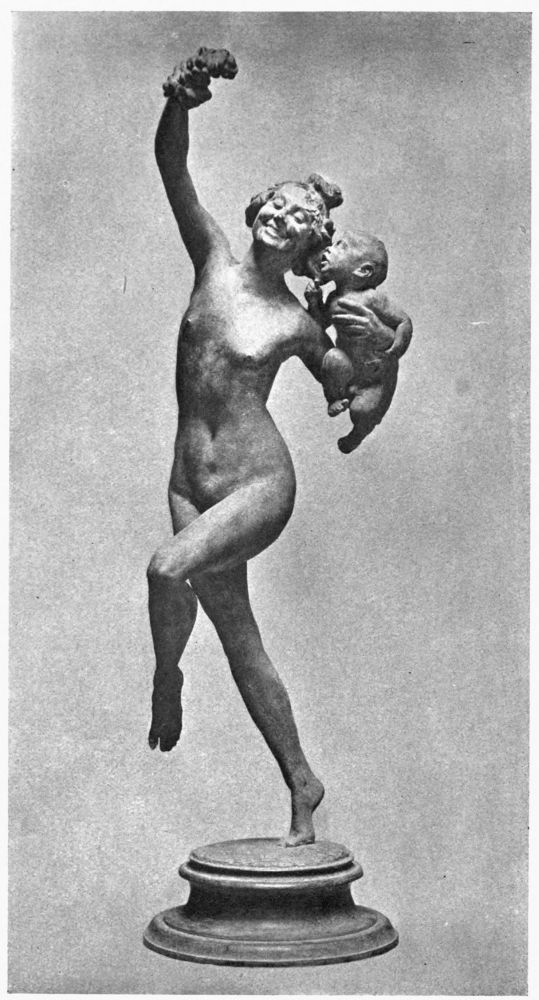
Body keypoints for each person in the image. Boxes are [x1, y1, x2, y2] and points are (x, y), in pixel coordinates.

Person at [148, 49, 394, 846]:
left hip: (257, 484)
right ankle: (302, 782)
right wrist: (181, 103)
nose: (280, 220)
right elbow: (173, 169)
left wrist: (372, 359)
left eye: (297, 220)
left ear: (310, 243)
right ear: (258, 208)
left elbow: (347, 388)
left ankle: (165, 673)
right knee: (240, 641)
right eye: (276, 206)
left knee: (166, 569)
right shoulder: (212, 262)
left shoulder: (296, 323)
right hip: (189, 479)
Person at [305, 230, 413, 453]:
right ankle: (334, 397)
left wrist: (395, 349)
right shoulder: (333, 299)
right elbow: (320, 324)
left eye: (341, 246)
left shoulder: (372, 298)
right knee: (332, 359)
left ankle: (358, 434)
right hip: (349, 369)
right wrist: (314, 302)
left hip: (375, 378)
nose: (330, 249)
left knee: (362, 411)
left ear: (363, 270)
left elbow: (403, 322)